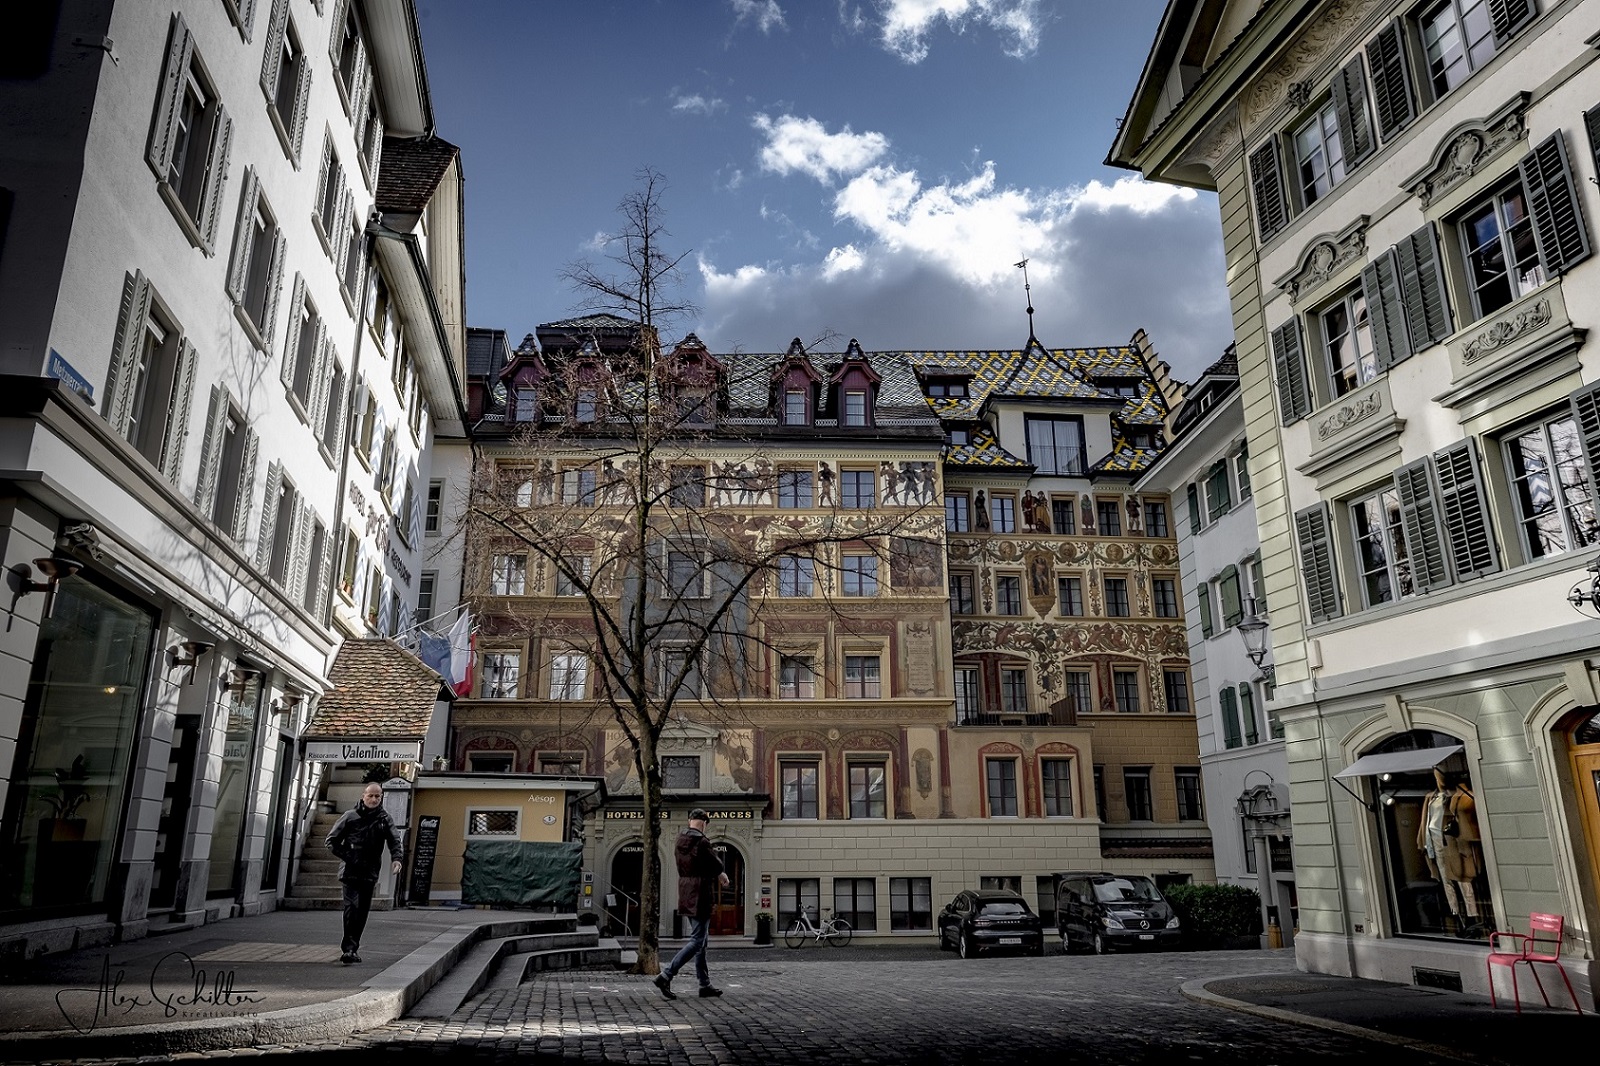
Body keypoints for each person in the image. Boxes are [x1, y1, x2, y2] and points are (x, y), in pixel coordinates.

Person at [325, 781, 405, 964]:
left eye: (378, 796)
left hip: (370, 871)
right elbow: (331, 841)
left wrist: (397, 859)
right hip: (351, 871)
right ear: (363, 796)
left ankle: (353, 948)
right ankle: (348, 949)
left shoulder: (385, 819)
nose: (374, 799)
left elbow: (394, 841)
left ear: (381, 798)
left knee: (362, 911)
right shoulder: (350, 816)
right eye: (371, 795)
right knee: (351, 908)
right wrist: (349, 856)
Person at [653, 808, 728, 999]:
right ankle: (666, 975)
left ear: (689, 821)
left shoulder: (679, 840)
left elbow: (696, 864)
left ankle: (704, 985)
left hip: (686, 892)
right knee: (697, 940)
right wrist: (720, 873)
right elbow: (716, 865)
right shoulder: (702, 842)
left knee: (701, 941)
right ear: (704, 823)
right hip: (701, 893)